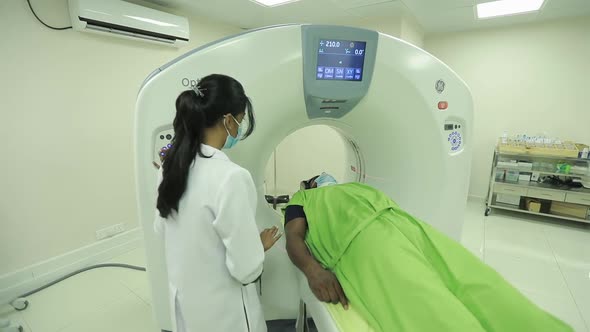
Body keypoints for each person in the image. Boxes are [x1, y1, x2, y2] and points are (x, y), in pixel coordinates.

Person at [285, 173, 572, 332]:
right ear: (311, 185)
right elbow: (294, 237)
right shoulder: (304, 199)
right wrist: (314, 271)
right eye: (318, 178)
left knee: (476, 283)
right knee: (428, 304)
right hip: (363, 240)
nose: (324, 178)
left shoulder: (355, 185)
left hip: (407, 227)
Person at [155, 74, 281, 332]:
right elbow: (246, 269)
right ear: (228, 120)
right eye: (240, 120)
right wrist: (259, 246)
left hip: (188, 304)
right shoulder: (231, 178)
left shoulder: (170, 166)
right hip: (226, 313)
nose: (239, 128)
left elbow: (161, 229)